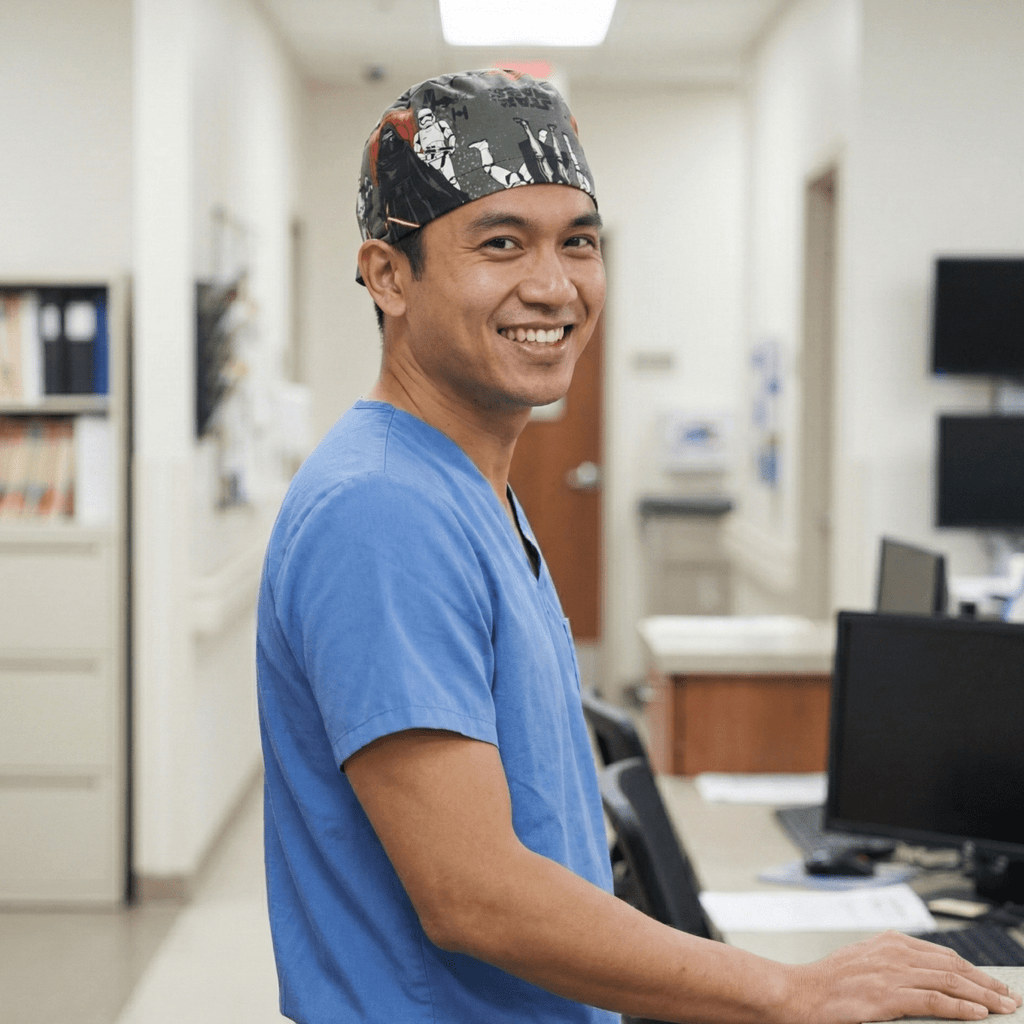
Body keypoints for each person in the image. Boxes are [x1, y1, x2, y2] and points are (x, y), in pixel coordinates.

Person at [256, 69, 1021, 1024]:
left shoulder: (468, 484)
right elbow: (473, 894)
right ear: (387, 274)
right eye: (500, 244)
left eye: (578, 243)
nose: (553, 284)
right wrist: (789, 988)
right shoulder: (382, 509)